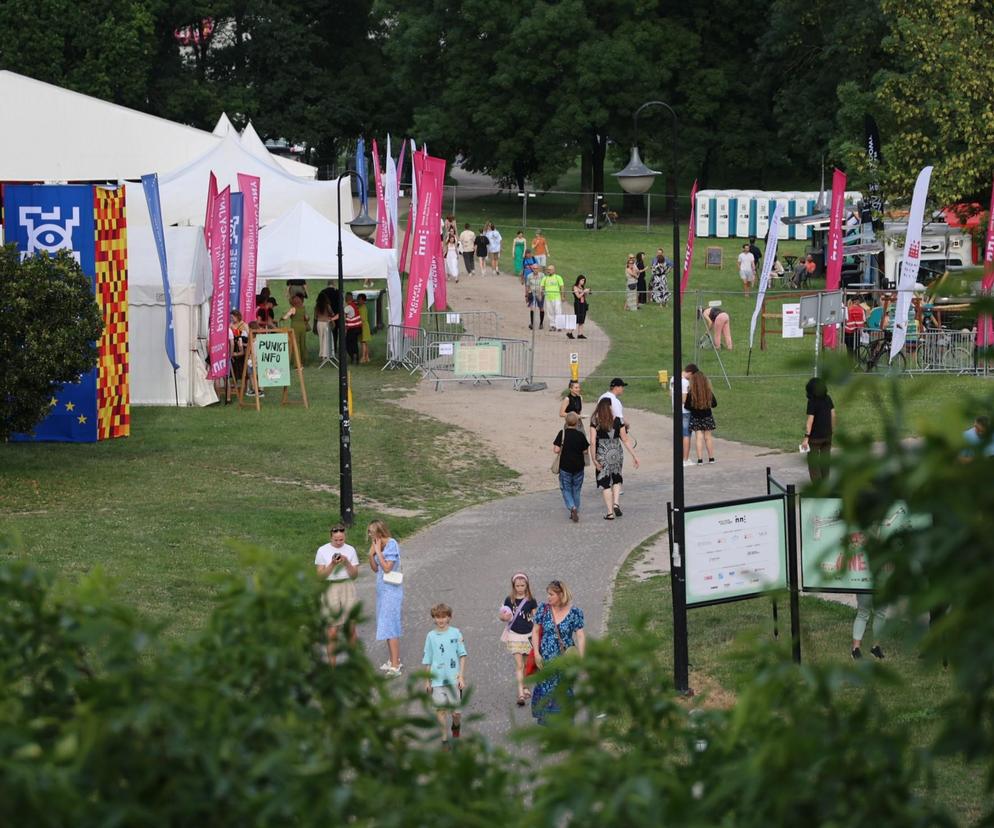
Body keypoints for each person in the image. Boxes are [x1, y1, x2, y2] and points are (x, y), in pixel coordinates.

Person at [530, 580, 586, 726]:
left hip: (565, 660)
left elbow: (580, 635)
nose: (548, 597)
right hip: (545, 659)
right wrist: (536, 653)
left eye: (551, 594)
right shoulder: (543, 609)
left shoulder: (574, 612)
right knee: (546, 690)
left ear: (561, 595)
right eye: (548, 594)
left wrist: (581, 657)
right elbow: (535, 631)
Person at [422, 603, 467, 748]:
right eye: (437, 617)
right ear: (434, 618)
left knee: (456, 713)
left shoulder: (456, 633)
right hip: (437, 679)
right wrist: (427, 680)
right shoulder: (430, 636)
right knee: (440, 711)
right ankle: (444, 739)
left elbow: (462, 655)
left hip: (453, 678)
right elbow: (428, 659)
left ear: (449, 617)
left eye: (444, 617)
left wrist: (461, 676)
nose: (441, 620)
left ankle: (456, 726)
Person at [315, 525, 360, 666]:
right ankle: (332, 667)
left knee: (351, 627)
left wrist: (346, 562)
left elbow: (354, 575)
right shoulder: (322, 550)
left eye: (341, 539)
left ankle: (353, 663)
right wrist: (332, 565)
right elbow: (320, 576)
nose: (339, 542)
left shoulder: (351, 550)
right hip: (330, 587)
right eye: (336, 540)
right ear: (331, 538)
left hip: (347, 586)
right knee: (332, 629)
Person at [590, 397, 639, 520]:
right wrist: (634, 455)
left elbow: (592, 441)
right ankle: (616, 503)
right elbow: (625, 440)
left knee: (605, 483)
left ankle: (610, 512)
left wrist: (594, 458)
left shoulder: (595, 421)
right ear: (610, 407)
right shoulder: (618, 420)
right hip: (616, 451)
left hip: (602, 452)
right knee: (616, 478)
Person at [368, 519, 404, 676]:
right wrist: (371, 554)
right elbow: (376, 569)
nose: (369, 534)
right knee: (385, 624)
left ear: (379, 531)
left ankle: (396, 665)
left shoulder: (391, 544)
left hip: (391, 591)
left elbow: (388, 568)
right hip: (382, 590)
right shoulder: (376, 544)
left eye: (371, 531)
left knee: (391, 626)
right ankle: (392, 659)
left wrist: (379, 552)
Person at [499, 574, 537, 706]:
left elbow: (536, 618)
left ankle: (525, 687)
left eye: (522, 585)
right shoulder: (509, 600)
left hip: (528, 635)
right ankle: (520, 693)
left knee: (527, 665)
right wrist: (505, 617)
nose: (520, 588)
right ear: (513, 586)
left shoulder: (531, 600)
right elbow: (502, 616)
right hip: (514, 634)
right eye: (517, 586)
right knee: (519, 665)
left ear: (527, 586)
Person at [553, 412, 590, 522]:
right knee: (576, 489)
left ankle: (572, 507)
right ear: (577, 422)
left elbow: (556, 449)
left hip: (565, 466)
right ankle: (575, 510)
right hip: (579, 467)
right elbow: (585, 451)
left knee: (566, 488)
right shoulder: (581, 435)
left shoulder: (562, 433)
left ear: (566, 422)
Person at [801, 377, 835, 482]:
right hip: (827, 436)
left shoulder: (812, 402)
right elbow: (833, 415)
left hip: (815, 438)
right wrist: (831, 430)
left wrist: (806, 437)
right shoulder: (828, 398)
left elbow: (810, 420)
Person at [687, 368, 717, 464]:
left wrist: (694, 407)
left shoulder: (691, 392)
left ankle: (700, 459)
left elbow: (687, 406)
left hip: (695, 417)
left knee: (698, 437)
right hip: (707, 416)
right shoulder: (708, 391)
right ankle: (711, 458)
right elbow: (714, 404)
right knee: (708, 437)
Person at [852, 592, 886, 660]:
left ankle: (876, 647)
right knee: (863, 612)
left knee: (881, 613)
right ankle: (855, 649)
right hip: (864, 582)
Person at [280, 293, 310, 366]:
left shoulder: (293, 309)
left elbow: (286, 317)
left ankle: (297, 363)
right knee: (303, 344)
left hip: (295, 327)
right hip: (303, 326)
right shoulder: (303, 308)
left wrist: (281, 318)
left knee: (296, 344)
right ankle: (304, 361)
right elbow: (307, 317)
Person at [314, 287, 338, 363]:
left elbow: (315, 316)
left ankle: (321, 355)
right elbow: (332, 314)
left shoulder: (317, 307)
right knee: (327, 339)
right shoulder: (327, 306)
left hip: (319, 323)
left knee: (321, 339)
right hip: (326, 323)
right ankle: (326, 355)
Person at [316, 281, 341, 353]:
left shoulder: (323, 292)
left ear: (327, 285)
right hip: (335, 316)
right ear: (334, 284)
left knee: (323, 337)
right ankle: (334, 349)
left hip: (324, 317)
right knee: (334, 334)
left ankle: (324, 351)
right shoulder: (337, 292)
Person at [541, 265, 565, 332]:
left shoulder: (558, 277)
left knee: (558, 311)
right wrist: (542, 293)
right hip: (548, 297)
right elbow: (542, 286)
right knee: (550, 312)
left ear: (554, 270)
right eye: (548, 269)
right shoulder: (545, 278)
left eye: (550, 269)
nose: (549, 271)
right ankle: (552, 325)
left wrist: (562, 296)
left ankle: (559, 326)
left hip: (556, 297)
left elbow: (562, 287)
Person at [344, 292, 362, 364]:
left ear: (346, 299)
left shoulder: (348, 307)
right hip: (358, 327)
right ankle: (356, 357)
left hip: (352, 328)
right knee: (354, 343)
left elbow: (341, 314)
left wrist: (332, 318)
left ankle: (353, 357)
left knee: (347, 343)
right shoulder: (355, 305)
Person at [526, 262, 545, 330]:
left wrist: (541, 293)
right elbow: (527, 286)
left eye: (536, 268)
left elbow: (544, 285)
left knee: (541, 308)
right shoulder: (529, 276)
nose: (535, 270)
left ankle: (541, 323)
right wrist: (527, 295)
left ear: (538, 269)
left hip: (540, 293)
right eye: (534, 268)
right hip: (532, 293)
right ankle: (532, 323)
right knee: (532, 308)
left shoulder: (542, 275)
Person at [570, 275, 590, 340]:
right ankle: (569, 332)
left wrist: (586, 292)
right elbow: (578, 296)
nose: (583, 282)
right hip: (578, 304)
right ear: (578, 280)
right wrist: (584, 291)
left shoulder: (582, 287)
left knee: (582, 319)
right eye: (582, 280)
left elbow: (584, 296)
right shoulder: (575, 287)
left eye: (584, 280)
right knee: (577, 319)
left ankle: (580, 334)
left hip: (583, 304)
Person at [357, 293, 372, 364]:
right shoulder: (361, 307)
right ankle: (367, 357)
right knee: (365, 342)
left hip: (363, 326)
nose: (358, 301)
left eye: (359, 299)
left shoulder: (362, 308)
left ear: (363, 300)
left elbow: (362, 318)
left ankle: (363, 357)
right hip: (364, 326)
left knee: (363, 342)